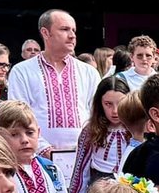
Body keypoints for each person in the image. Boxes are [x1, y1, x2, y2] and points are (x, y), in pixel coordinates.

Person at [6, 9, 102, 162]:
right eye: (64, 29)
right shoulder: (22, 71)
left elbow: (97, 115)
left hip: (84, 157)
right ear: (45, 32)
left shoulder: (89, 72)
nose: (72, 35)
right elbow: (19, 117)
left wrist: (86, 147)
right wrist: (45, 150)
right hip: (37, 157)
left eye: (73, 30)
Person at [69, 75, 132, 193]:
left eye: (120, 103)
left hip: (130, 190)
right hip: (99, 190)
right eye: (108, 104)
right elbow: (80, 172)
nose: (115, 111)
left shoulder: (136, 129)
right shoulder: (91, 130)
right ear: (100, 103)